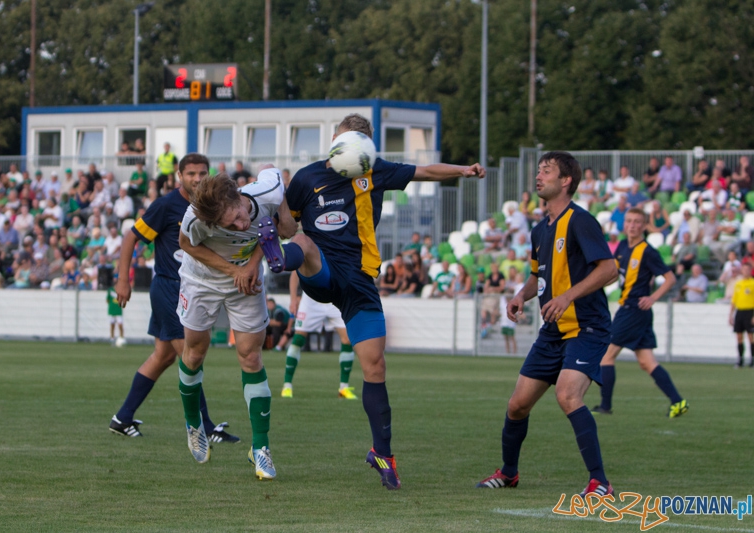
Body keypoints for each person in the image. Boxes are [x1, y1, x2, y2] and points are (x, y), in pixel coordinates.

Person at [259, 112, 486, 490]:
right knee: (304, 243)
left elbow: (426, 171)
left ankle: (383, 453)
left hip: (360, 281)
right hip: (321, 271)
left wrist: (464, 170)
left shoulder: (376, 171)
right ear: (335, 139)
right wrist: (279, 199)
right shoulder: (308, 177)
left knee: (375, 366)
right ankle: (279, 260)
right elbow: (288, 227)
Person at [476, 151, 617, 497]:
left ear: (566, 180)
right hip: (552, 333)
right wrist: (519, 296)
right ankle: (509, 473)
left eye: (547, 171)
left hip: (587, 327)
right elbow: (539, 275)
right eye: (538, 170)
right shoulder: (541, 229)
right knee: (517, 405)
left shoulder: (580, 221)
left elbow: (610, 269)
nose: (539, 176)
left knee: (568, 395)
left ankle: (600, 482)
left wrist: (568, 296)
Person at [110, 153, 239, 446]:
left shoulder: (213, 205)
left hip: (191, 290)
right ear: (179, 176)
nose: (197, 178)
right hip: (169, 289)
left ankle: (122, 418)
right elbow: (131, 238)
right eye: (190, 173)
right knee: (190, 357)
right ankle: (204, 426)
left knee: (164, 356)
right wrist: (122, 280)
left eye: (202, 173)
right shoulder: (167, 205)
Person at [177, 167, 295, 478]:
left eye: (241, 216)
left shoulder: (265, 192)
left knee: (251, 356)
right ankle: (193, 423)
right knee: (195, 352)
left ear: (240, 195)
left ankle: (260, 448)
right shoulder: (195, 217)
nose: (242, 224)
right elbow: (186, 244)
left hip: (246, 280)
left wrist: (256, 259)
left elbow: (276, 174)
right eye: (231, 225)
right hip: (201, 281)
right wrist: (233, 272)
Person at [593, 208, 687, 418]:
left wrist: (653, 298)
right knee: (646, 362)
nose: (632, 225)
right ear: (624, 224)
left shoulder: (648, 251)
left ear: (644, 226)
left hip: (633, 310)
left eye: (637, 222)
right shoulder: (623, 245)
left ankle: (605, 406)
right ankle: (678, 402)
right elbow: (614, 274)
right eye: (629, 221)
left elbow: (670, 278)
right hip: (634, 312)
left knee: (606, 356)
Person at [281, 271, 357, 399]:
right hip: (312, 298)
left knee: (348, 339)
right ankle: (287, 386)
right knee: (299, 338)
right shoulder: (310, 249)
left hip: (335, 296)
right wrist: (293, 299)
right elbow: (295, 272)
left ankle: (344, 388)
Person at [730, 262, 754, 368]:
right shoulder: (738, 283)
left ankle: (752, 359)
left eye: (747, 269)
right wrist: (730, 315)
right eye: (744, 269)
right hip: (739, 312)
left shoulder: (753, 283)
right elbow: (734, 300)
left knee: (751, 337)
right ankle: (740, 359)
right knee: (739, 336)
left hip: (750, 311)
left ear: (750, 271)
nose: (745, 271)